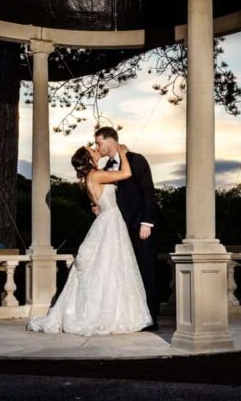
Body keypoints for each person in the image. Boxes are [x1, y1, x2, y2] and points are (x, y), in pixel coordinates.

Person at [26, 142, 152, 335]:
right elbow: (126, 173)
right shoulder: (97, 175)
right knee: (112, 266)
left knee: (107, 267)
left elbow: (99, 200)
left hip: (105, 220)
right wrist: (122, 153)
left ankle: (105, 311)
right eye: (93, 151)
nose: (96, 150)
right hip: (110, 222)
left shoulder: (89, 178)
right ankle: (107, 315)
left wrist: (97, 206)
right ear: (90, 159)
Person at [92, 126, 162, 330]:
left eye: (99, 142)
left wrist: (147, 222)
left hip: (141, 226)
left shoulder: (136, 159)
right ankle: (134, 316)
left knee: (146, 269)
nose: (98, 146)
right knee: (128, 273)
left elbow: (148, 191)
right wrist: (98, 206)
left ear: (111, 140)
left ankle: (152, 317)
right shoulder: (104, 169)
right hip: (118, 230)